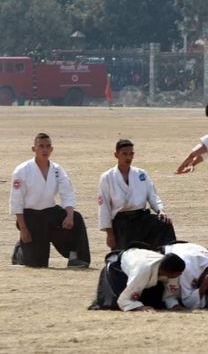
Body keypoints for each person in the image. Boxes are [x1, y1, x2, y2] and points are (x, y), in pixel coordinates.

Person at [9, 133, 90, 268]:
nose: (44, 150)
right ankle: (20, 251)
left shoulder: (57, 169)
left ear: (52, 149)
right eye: (41, 146)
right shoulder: (22, 170)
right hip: (30, 216)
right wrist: (23, 228)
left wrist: (69, 215)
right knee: (37, 264)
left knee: (76, 218)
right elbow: (16, 201)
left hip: (50, 212)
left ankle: (76, 257)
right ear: (34, 149)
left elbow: (67, 193)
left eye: (48, 146)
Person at [98, 139, 176, 250]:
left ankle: (168, 256)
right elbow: (104, 206)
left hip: (141, 218)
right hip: (121, 222)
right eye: (124, 154)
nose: (128, 157)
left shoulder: (141, 174)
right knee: (124, 255)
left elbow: (152, 195)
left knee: (164, 223)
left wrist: (160, 210)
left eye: (131, 154)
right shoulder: (107, 177)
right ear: (116, 155)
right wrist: (109, 233)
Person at [92, 247, 185, 311]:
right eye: (178, 273)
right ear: (168, 272)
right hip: (127, 261)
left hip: (143, 254)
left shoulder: (171, 270)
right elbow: (124, 299)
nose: (180, 274)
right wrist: (139, 307)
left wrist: (174, 305)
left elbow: (170, 293)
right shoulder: (142, 271)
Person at [162, 242, 208, 309]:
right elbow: (188, 302)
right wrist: (203, 287)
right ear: (203, 278)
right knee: (173, 285)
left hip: (190, 247)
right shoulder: (186, 269)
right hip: (170, 252)